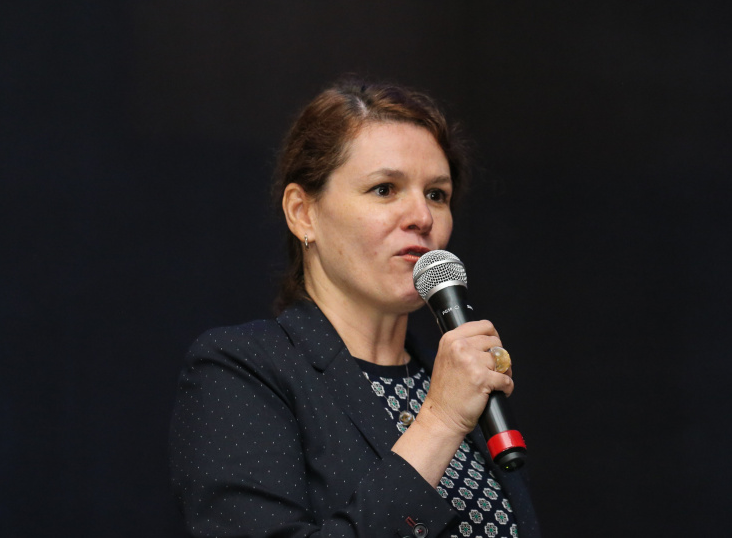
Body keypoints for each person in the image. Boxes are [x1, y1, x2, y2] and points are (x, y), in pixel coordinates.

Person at [169, 79, 540, 538]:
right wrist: (439, 422)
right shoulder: (241, 370)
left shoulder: (453, 382)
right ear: (302, 213)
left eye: (436, 194)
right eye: (385, 189)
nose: (422, 217)